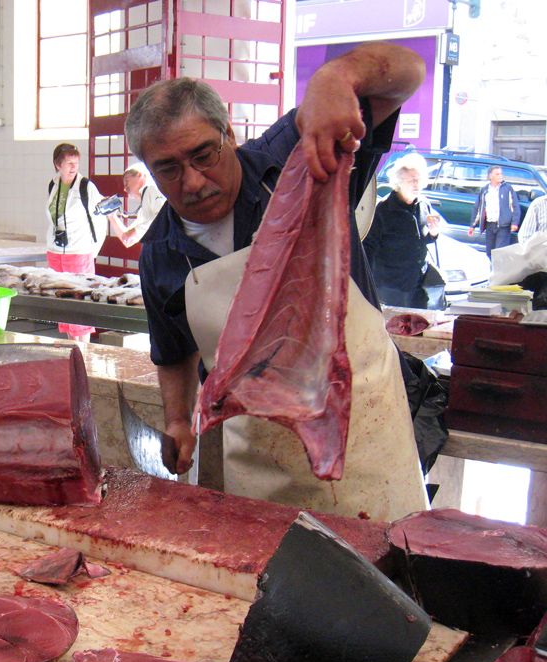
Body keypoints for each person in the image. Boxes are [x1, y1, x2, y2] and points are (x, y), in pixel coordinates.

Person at [125, 42, 428, 522]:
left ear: (227, 132)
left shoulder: (297, 153)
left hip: (366, 430)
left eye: (203, 155)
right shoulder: (160, 254)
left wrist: (337, 77)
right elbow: (173, 351)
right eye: (168, 169)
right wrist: (179, 420)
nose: (194, 182)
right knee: (280, 580)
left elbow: (410, 70)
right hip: (260, 460)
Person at [364, 152, 441, 308]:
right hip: (390, 286)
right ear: (398, 182)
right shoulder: (383, 209)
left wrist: (433, 233)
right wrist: (367, 286)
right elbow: (368, 247)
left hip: (418, 283)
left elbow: (422, 239)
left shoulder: (423, 204)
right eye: (411, 180)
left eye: (419, 179)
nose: (416, 185)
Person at [46, 143, 107, 342]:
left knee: (80, 305)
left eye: (76, 163)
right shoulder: (53, 185)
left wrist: (92, 251)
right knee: (63, 303)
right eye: (69, 163)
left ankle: (84, 355)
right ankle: (71, 352)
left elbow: (100, 219)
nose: (73, 167)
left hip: (79, 252)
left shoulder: (86, 186)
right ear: (58, 165)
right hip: (56, 251)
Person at [105, 163, 166, 248]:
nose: (125, 188)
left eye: (126, 180)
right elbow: (127, 240)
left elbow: (164, 217)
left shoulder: (152, 189)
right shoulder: (143, 208)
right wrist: (112, 216)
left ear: (139, 175)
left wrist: (136, 230)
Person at [468, 166, 520, 256]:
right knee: (490, 251)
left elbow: (515, 206)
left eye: (501, 174)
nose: (500, 176)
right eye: (497, 174)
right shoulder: (485, 190)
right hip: (490, 225)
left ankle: (499, 270)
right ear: (490, 176)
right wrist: (473, 225)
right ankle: (491, 268)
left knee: (500, 252)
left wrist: (514, 222)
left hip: (503, 225)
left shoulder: (507, 189)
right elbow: (478, 208)